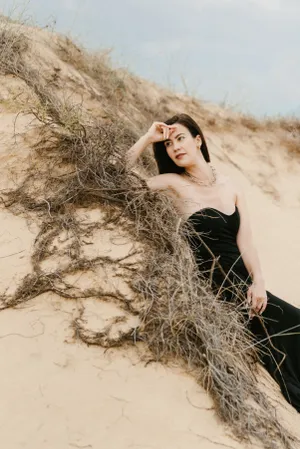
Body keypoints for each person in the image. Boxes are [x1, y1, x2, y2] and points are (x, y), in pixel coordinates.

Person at [126, 113, 300, 412]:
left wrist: (259, 282)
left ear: (198, 140)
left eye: (180, 138)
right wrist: (147, 137)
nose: (174, 147)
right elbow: (120, 176)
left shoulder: (231, 186)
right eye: (168, 144)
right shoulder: (173, 183)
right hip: (216, 287)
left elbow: (246, 242)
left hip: (247, 288)